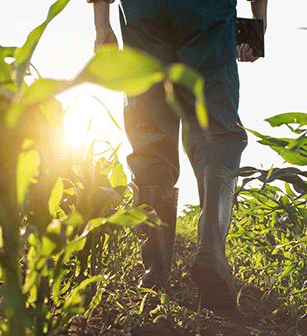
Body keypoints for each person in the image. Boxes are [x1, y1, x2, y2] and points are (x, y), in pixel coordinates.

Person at [90, 0, 267, 310]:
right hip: (206, 11)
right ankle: (211, 253)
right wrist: (258, 22)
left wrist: (102, 23)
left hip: (144, 11)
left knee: (149, 132)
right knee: (217, 129)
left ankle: (155, 270)